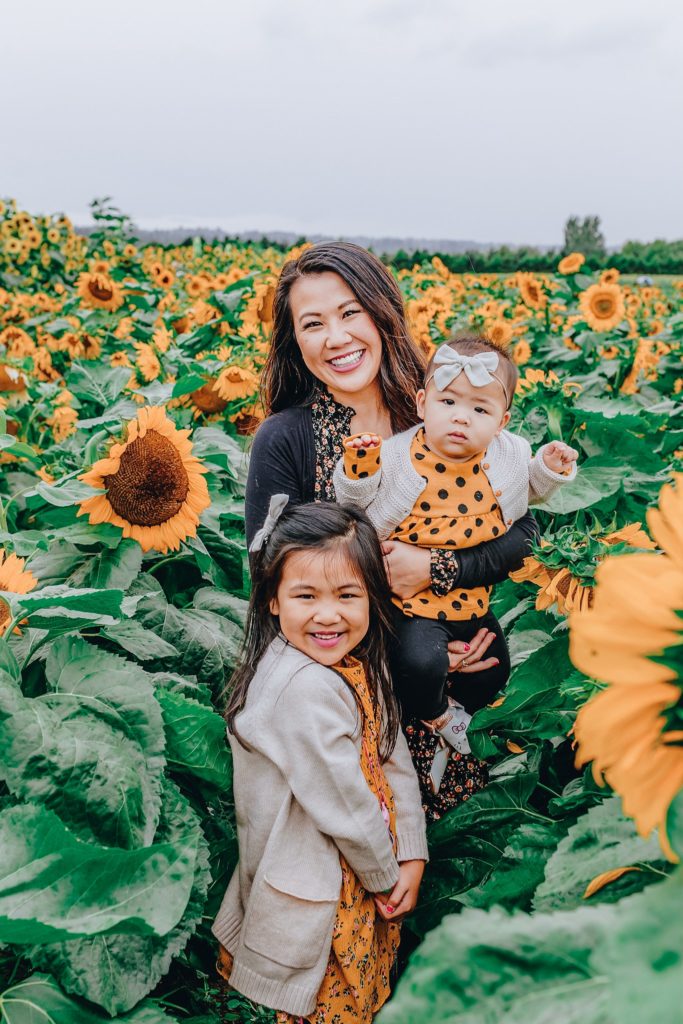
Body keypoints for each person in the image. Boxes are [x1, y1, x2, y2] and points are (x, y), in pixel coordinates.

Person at [245, 240, 540, 818]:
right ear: (294, 341)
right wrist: (405, 644)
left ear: (381, 313)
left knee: (456, 861)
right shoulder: (284, 439)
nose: (336, 337)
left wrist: (441, 573)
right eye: (313, 323)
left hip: (450, 683)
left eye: (350, 312)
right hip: (341, 692)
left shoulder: (440, 411)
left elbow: (523, 531)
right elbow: (270, 582)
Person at [334, 332, 578, 791]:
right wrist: (358, 467)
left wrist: (549, 466)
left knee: (498, 667)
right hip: (415, 606)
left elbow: (529, 496)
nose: (461, 418)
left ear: (502, 421)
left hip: (472, 601)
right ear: (423, 403)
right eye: (449, 402)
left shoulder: (506, 457)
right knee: (421, 663)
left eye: (481, 410)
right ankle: (438, 717)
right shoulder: (397, 455)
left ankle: (460, 716)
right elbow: (355, 504)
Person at [213, 501, 428, 1022]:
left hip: (357, 873)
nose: (328, 614)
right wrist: (384, 875)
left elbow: (390, 749)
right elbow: (346, 804)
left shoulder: (357, 661)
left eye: (347, 595)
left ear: (373, 599)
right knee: (324, 1004)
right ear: (271, 600)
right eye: (305, 595)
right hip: (327, 890)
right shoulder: (302, 687)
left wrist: (412, 852)